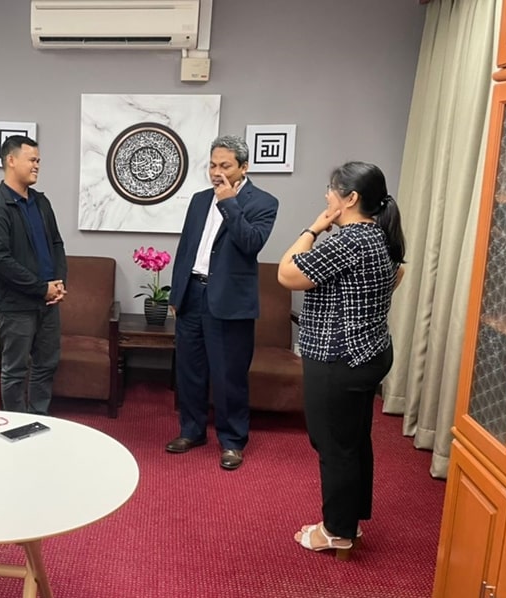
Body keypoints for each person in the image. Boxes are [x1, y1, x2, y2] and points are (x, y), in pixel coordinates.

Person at [277, 161, 405, 558]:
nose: (326, 197)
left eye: (331, 191)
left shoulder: (347, 241)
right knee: (352, 441)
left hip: (339, 357)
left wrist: (313, 228)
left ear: (349, 199)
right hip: (370, 351)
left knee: (333, 445)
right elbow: (397, 275)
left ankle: (335, 531)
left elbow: (287, 273)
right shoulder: (379, 235)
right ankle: (350, 519)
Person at [165, 135, 279, 470]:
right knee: (190, 371)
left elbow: (251, 243)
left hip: (229, 302)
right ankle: (192, 430)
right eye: (212, 165)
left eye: (225, 166)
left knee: (229, 376)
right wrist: (176, 293)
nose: (216, 172)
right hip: (193, 295)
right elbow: (186, 248)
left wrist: (229, 202)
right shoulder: (199, 200)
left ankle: (232, 442)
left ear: (244, 167)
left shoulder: (264, 202)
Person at [0, 135, 67, 415]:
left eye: (39, 160)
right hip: (16, 305)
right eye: (32, 160)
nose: (37, 165)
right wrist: (42, 288)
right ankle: (14, 423)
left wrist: (59, 282)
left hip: (48, 302)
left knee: (46, 364)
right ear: (11, 160)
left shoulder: (41, 203)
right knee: (15, 371)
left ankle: (38, 416)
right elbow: (1, 261)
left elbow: (57, 243)